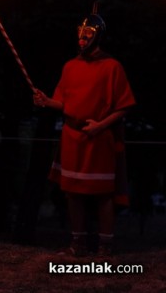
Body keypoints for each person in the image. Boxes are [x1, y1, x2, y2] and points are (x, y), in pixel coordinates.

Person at [32, 13, 135, 256]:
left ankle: (105, 247)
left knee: (103, 194)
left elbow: (124, 106)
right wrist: (47, 101)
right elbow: (63, 102)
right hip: (72, 137)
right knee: (72, 192)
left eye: (88, 33)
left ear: (98, 35)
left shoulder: (112, 67)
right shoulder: (70, 66)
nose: (82, 37)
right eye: (80, 33)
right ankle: (77, 245)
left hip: (99, 138)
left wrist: (100, 126)